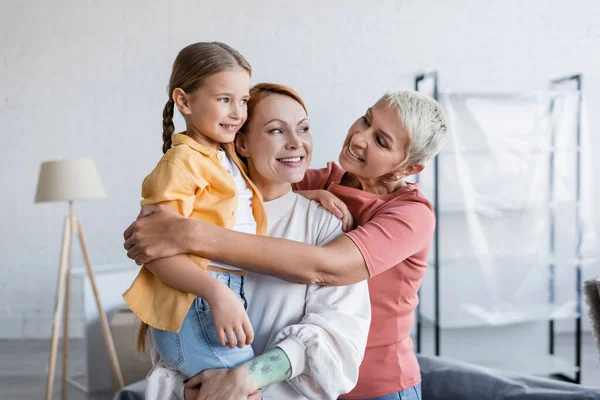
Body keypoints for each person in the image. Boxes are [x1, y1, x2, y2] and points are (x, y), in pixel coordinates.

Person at [124, 89, 447, 400]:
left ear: (408, 169)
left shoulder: (411, 215)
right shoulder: (317, 183)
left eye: (380, 141)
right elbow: (262, 188)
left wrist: (186, 234)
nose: (360, 137)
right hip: (283, 383)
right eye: (366, 120)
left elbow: (325, 267)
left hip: (376, 386)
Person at [122, 41, 264, 379]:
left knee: (240, 388)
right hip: (199, 298)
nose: (237, 113)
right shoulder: (181, 163)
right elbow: (155, 252)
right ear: (184, 100)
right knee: (242, 388)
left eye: (242, 101)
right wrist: (217, 294)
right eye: (224, 100)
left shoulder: (226, 155)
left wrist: (318, 193)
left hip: (220, 294)